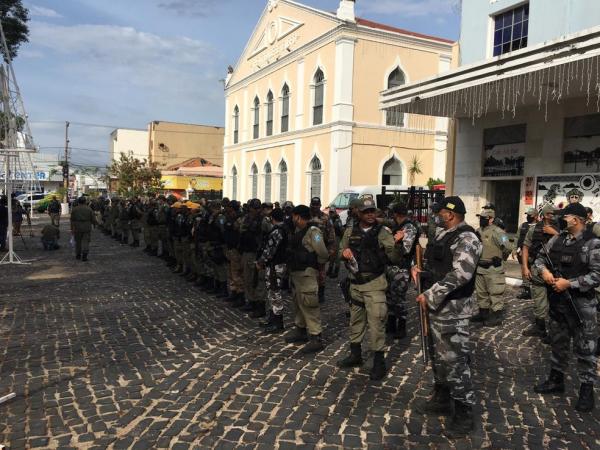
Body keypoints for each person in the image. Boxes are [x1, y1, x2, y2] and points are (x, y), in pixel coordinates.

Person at [415, 196, 482, 439]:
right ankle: (442, 397)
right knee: (439, 357)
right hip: (438, 308)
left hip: (454, 309)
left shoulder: (467, 238)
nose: (436, 216)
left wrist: (430, 294)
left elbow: (461, 275)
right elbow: (438, 268)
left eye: (439, 212)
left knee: (455, 361)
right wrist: (420, 272)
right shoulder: (443, 235)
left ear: (451, 214)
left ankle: (464, 413)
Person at [533, 202, 600, 412]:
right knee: (558, 342)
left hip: (581, 305)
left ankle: (587, 391)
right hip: (558, 302)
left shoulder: (593, 243)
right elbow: (540, 259)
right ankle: (556, 380)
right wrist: (544, 272)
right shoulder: (558, 238)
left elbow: (597, 275)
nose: (562, 219)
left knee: (585, 349)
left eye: (566, 216)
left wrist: (569, 283)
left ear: (577, 219)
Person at [337, 197, 403, 381]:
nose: (370, 214)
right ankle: (355, 354)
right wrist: (344, 253)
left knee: (376, 324)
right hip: (355, 284)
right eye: (366, 211)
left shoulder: (383, 232)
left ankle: (379, 362)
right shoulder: (350, 231)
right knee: (355, 321)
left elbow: (395, 258)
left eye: (372, 211)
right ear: (358, 212)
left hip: (374, 284)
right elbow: (340, 251)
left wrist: (397, 244)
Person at [285, 205, 329, 353]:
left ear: (298, 216)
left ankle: (316, 337)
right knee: (298, 302)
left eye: (293, 216)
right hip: (297, 274)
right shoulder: (298, 231)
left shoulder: (313, 231)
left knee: (309, 305)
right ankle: (300, 330)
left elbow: (322, 252)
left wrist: (319, 269)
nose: (292, 219)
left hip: (307, 273)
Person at [521, 204, 559, 338]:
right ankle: (540, 328)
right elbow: (525, 247)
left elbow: (571, 243)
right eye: (550, 214)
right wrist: (525, 267)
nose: (553, 217)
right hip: (537, 270)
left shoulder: (562, 230)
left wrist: (554, 233)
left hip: (556, 272)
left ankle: (555, 334)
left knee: (556, 303)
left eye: (554, 214)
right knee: (538, 301)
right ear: (544, 215)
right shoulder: (534, 229)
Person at [471, 207, 512, 327]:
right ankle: (483, 314)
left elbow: (508, 247)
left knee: (495, 293)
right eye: (481, 218)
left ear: (491, 219)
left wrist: (501, 258)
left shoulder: (499, 232)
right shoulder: (478, 230)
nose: (481, 220)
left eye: (484, 218)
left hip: (493, 268)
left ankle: (496, 316)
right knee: (481, 293)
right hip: (480, 268)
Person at [386, 202, 419, 340]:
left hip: (402, 268)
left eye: (392, 213)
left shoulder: (409, 228)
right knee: (390, 297)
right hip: (391, 267)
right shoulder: (396, 226)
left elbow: (405, 249)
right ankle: (391, 323)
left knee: (398, 298)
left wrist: (394, 240)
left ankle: (401, 326)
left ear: (396, 214)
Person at [256, 208, 288, 333]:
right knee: (272, 292)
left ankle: (278, 322)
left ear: (272, 218)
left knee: (275, 292)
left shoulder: (277, 231)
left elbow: (270, 250)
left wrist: (260, 262)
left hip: (276, 266)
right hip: (276, 265)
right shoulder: (283, 229)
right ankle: (272, 317)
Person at [237, 199, 266, 315]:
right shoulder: (247, 218)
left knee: (258, 280)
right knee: (248, 278)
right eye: (253, 208)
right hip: (247, 251)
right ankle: (251, 301)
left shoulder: (263, 220)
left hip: (257, 252)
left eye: (256, 208)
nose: (254, 210)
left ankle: (259, 305)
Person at [309, 197, 336, 303]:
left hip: (321, 248)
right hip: (308, 249)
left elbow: (331, 234)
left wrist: (331, 250)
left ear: (320, 205)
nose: (315, 207)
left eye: (317, 205)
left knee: (321, 273)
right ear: (310, 205)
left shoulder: (325, 218)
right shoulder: (306, 216)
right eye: (313, 205)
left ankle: (321, 293)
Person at [516, 207, 538, 299]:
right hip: (522, 253)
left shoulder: (539, 226)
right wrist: (514, 249)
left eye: (530, 215)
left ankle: (535, 292)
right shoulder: (523, 225)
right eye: (527, 215)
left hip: (534, 254)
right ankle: (526, 291)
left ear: (536, 216)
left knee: (534, 272)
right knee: (524, 272)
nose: (528, 217)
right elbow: (517, 237)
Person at [70, 196, 96, 261]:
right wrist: (95, 224)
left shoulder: (75, 209)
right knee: (86, 241)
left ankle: (78, 254)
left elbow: (72, 220)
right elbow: (93, 218)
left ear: (78, 202)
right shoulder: (89, 209)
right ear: (85, 201)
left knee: (78, 242)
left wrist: (72, 228)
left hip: (77, 227)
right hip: (86, 227)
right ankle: (84, 255)